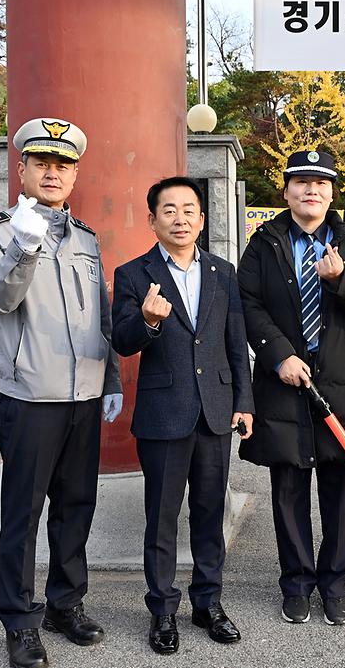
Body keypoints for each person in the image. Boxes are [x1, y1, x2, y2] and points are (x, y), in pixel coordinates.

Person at [0, 117, 123, 668]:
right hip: (31, 396)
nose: (53, 173)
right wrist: (24, 246)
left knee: (76, 506)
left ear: (75, 175)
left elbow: (101, 315)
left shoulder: (86, 238)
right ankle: (19, 620)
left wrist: (110, 378)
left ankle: (66, 603)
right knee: (23, 513)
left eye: (63, 165)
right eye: (42, 163)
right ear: (23, 170)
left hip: (83, 394)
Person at [238, 149, 345, 626]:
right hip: (284, 381)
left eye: (321, 183)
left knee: (342, 491)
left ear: (332, 193)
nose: (311, 190)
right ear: (286, 192)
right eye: (301, 182)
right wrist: (278, 354)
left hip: (341, 380)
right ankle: (297, 584)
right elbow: (248, 303)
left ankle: (335, 585)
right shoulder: (264, 243)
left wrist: (342, 279)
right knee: (289, 488)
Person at [111, 177, 254, 655]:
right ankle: (163, 609)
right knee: (162, 518)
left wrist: (244, 402)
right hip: (164, 413)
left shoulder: (222, 272)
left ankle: (208, 603)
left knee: (210, 513)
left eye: (189, 209)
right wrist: (148, 321)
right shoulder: (134, 274)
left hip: (215, 411)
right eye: (169, 210)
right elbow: (122, 340)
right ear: (152, 220)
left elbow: (236, 342)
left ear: (202, 219)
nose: (180, 218)